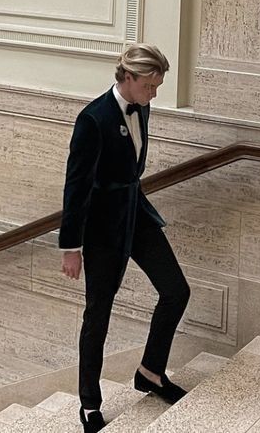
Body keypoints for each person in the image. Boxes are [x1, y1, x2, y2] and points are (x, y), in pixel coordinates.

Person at [59, 44, 190, 432]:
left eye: (157, 86)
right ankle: (88, 404)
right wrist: (71, 247)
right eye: (150, 85)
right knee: (98, 314)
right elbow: (76, 187)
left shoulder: (142, 106)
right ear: (128, 79)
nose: (154, 93)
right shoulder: (93, 120)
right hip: (102, 229)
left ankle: (150, 372)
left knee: (176, 290)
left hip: (136, 213)